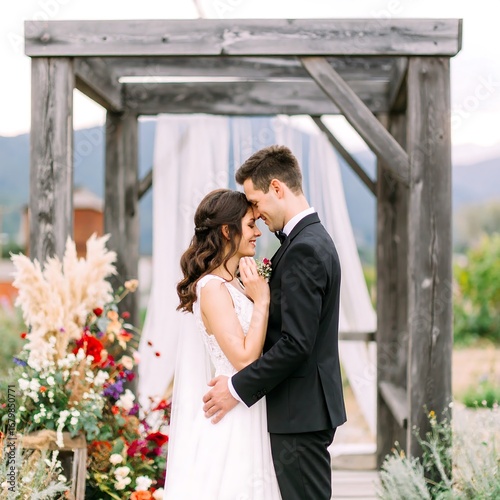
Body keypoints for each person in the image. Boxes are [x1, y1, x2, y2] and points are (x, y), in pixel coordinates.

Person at [202, 146, 347, 500]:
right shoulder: (308, 240)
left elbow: (297, 343)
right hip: (301, 410)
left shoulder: (304, 249)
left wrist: (236, 388)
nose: (256, 213)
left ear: (278, 189)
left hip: (299, 412)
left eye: (256, 201)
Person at [164, 188, 282, 499]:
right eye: (250, 224)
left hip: (248, 405)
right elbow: (243, 359)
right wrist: (263, 301)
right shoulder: (213, 287)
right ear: (228, 231)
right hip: (231, 414)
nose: (257, 232)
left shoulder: (234, 284)